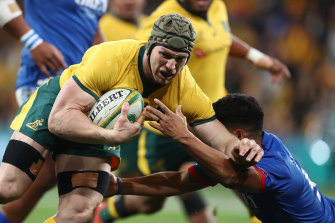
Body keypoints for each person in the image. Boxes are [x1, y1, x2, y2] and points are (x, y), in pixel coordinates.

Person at [0, 14, 262, 223]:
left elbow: (220, 138)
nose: (171, 66)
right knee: (8, 188)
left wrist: (240, 148)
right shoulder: (111, 58)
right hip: (60, 104)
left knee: (79, 212)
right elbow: (58, 120)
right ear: (149, 46)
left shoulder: (185, 88)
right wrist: (112, 136)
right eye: (166, 55)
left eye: (180, 59)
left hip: (106, 123)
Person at [95, 0, 291, 222]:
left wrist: (259, 59)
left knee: (240, 173)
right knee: (149, 201)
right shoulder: (165, 19)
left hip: (212, 119)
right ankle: (102, 215)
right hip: (166, 127)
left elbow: (221, 37)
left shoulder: (217, 8)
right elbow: (137, 59)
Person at [106, 93, 335, 223]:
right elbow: (179, 182)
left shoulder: (276, 166)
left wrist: (184, 136)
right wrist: (118, 186)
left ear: (237, 135)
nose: (210, 137)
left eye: (215, 132)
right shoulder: (259, 143)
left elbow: (233, 178)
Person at [0, 0, 107, 222]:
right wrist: (33, 41)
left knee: (62, 183)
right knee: (78, 186)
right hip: (45, 82)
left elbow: (92, 30)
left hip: (80, 90)